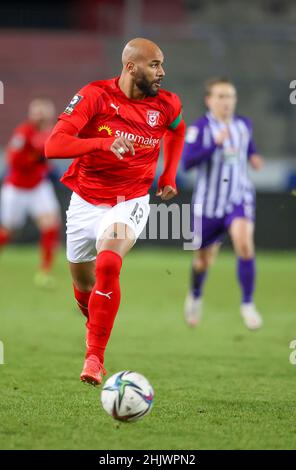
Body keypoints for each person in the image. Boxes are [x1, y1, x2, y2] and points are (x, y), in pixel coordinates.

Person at [45, 38, 185, 385]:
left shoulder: (167, 104)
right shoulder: (95, 95)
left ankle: (94, 358)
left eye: (162, 64)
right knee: (83, 288)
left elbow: (178, 130)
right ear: (130, 66)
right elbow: (54, 145)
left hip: (131, 200)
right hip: (85, 200)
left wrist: (168, 174)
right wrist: (103, 142)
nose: (162, 72)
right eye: (154, 65)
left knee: (109, 261)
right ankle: (94, 324)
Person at [182, 78, 264, 330]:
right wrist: (213, 146)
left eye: (230, 96)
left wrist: (253, 157)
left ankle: (247, 304)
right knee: (203, 261)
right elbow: (187, 163)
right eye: (220, 96)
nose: (226, 101)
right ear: (209, 100)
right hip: (208, 205)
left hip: (239, 197)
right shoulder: (199, 129)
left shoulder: (243, 125)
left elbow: (248, 147)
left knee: (244, 244)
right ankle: (195, 295)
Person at [0, 97, 60, 288]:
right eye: (38, 111)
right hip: (16, 188)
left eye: (45, 111)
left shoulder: (51, 132)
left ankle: (45, 271)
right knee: (8, 231)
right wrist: (35, 159)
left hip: (38, 187)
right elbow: (13, 159)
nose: (42, 115)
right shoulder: (23, 132)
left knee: (51, 224)